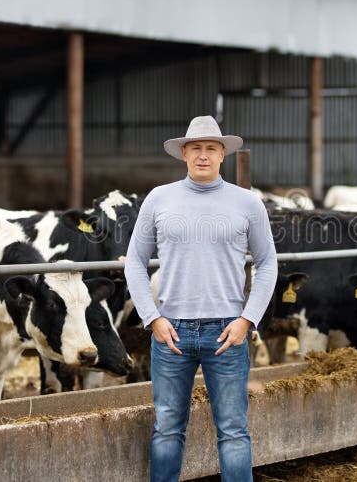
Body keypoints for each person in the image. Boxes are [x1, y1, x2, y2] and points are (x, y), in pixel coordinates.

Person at [124, 115, 278, 482]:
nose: (203, 155)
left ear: (223, 154)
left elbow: (268, 263)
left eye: (211, 148)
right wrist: (152, 318)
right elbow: (134, 261)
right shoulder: (159, 198)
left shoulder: (247, 203)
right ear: (184, 154)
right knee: (167, 428)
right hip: (171, 332)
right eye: (195, 148)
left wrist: (247, 320)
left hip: (227, 332)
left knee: (233, 430)